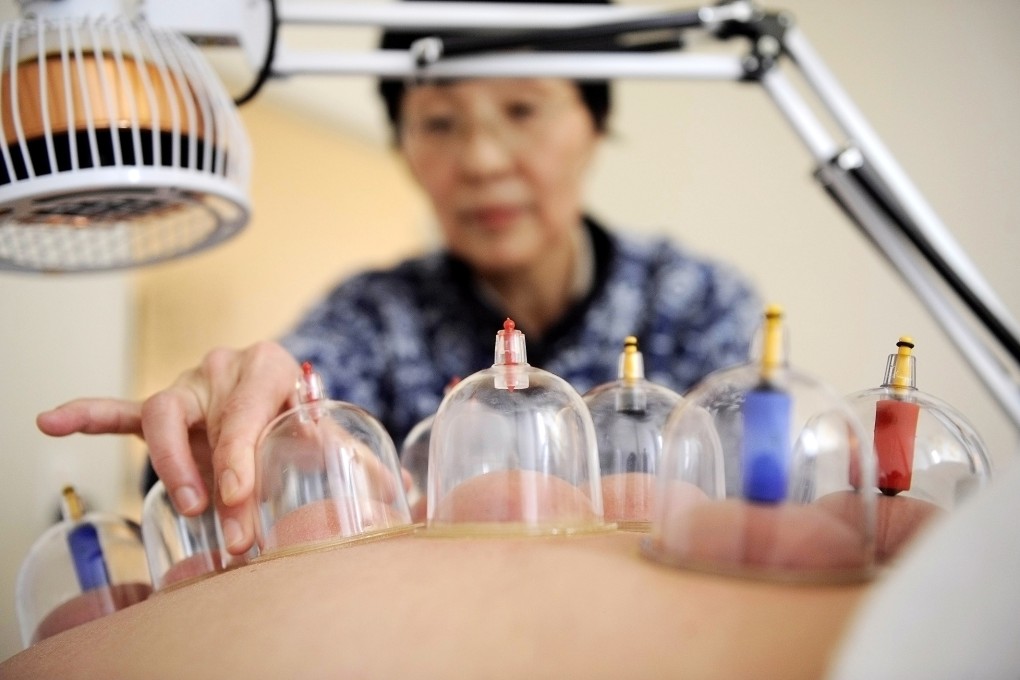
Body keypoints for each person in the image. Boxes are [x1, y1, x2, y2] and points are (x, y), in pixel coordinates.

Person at [34, 0, 761, 557]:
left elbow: (758, 515)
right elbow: (278, 408)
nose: (479, 159)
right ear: (405, 147)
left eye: (521, 110)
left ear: (595, 124)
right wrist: (230, 436)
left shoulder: (698, 304)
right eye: (439, 123)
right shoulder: (375, 317)